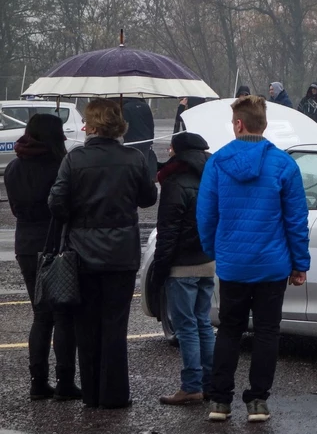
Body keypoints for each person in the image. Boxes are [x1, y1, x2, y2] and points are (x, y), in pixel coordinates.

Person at [197, 95, 310, 423]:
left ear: (238, 124)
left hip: (233, 263)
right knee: (266, 332)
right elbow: (295, 219)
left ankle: (219, 401)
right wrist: (299, 263)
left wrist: (215, 250)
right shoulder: (284, 165)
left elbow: (205, 216)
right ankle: (258, 401)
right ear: (263, 125)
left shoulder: (217, 163)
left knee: (230, 330)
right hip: (272, 265)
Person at [48, 99, 159, 409]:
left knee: (86, 325)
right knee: (115, 325)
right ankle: (114, 394)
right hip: (121, 254)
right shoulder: (134, 158)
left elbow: (56, 203)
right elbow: (148, 198)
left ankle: (92, 393)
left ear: (93, 126)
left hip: (81, 254)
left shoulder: (74, 160)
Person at [4, 114, 80, 402]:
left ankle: (38, 380)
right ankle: (65, 381)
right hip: (56, 242)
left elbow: (14, 208)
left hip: (25, 243)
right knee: (62, 315)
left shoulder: (13, 168)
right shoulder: (61, 166)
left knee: (40, 315)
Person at [151, 132, 215, 406]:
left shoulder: (175, 182)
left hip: (182, 264)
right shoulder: (212, 176)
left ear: (179, 152)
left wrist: (160, 269)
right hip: (207, 260)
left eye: (171, 148)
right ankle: (211, 382)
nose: (168, 152)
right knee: (203, 323)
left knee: (186, 325)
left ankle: (191, 386)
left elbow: (168, 231)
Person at [122, 97, 157, 180]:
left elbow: (125, 125)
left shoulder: (126, 108)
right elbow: (151, 124)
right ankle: (145, 181)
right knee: (144, 163)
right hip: (145, 141)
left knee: (132, 164)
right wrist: (151, 138)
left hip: (131, 141)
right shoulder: (146, 106)